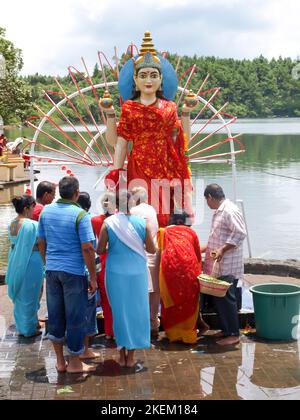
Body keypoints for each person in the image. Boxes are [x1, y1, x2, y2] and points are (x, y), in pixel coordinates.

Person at [102, 32, 196, 227]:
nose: (148, 80)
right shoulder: (129, 108)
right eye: (143, 75)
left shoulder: (169, 107)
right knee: (139, 208)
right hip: (139, 163)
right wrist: (115, 172)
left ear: (161, 79)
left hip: (166, 163)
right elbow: (119, 143)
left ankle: (164, 246)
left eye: (154, 75)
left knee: (166, 209)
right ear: (135, 79)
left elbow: (182, 140)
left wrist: (186, 113)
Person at [38, 176, 97, 373]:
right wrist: (93, 278)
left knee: (55, 315)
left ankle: (60, 362)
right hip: (73, 272)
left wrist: (48, 263)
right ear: (76, 193)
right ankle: (75, 363)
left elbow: (41, 242)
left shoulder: (46, 212)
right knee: (74, 317)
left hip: (52, 271)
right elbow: (88, 248)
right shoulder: (81, 215)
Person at [97, 190, 156, 368]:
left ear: (115, 205)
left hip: (115, 273)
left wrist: (114, 247)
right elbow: (152, 250)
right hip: (137, 273)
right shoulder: (142, 223)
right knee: (137, 313)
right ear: (132, 204)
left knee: (119, 313)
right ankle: (131, 357)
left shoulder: (108, 223)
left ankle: (121, 356)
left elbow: (99, 250)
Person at [203, 184, 247, 346]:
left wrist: (222, 249)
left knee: (227, 298)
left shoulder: (229, 210)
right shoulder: (220, 210)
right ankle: (226, 329)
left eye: (206, 201)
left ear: (209, 197)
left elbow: (240, 233)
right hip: (219, 263)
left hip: (228, 264)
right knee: (220, 298)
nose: (207, 205)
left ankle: (233, 334)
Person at [157, 211, 203, 344]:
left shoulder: (163, 231)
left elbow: (158, 252)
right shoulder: (191, 233)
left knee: (170, 300)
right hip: (190, 269)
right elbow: (197, 255)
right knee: (189, 300)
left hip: (169, 270)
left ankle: (173, 334)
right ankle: (188, 335)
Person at [5, 195, 44, 337]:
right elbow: (41, 243)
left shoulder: (12, 223)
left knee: (21, 295)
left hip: (15, 259)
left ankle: (25, 326)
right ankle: (28, 329)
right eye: (33, 207)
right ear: (27, 208)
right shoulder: (31, 224)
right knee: (31, 294)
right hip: (31, 261)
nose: (34, 210)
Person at [130, 186, 160, 339]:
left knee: (138, 292)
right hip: (153, 254)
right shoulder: (152, 210)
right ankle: (153, 323)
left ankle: (140, 326)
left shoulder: (134, 212)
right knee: (154, 290)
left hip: (139, 255)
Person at [77, 192, 101, 359]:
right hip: (86, 271)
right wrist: (94, 276)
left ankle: (76, 348)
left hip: (71, 270)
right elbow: (90, 249)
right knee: (87, 310)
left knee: (75, 310)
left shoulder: (72, 218)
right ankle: (85, 349)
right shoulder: (86, 220)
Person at [91, 192, 116, 340]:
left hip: (102, 259)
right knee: (119, 298)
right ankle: (119, 330)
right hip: (117, 258)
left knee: (106, 299)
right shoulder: (119, 221)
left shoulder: (95, 220)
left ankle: (108, 331)